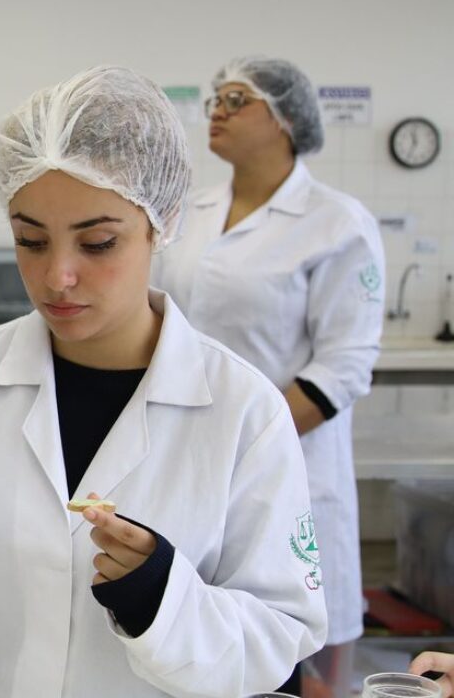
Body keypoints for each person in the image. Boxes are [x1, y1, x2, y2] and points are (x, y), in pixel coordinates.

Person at [0, 66, 328, 697]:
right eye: (30, 241)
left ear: (161, 222)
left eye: (97, 243)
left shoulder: (243, 410)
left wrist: (163, 597)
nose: (57, 277)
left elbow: (279, 632)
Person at [153, 56, 385, 695]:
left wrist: (246, 439)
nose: (216, 111)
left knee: (293, 657)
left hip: (290, 464)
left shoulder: (338, 224)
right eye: (215, 100)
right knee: (191, 644)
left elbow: (342, 366)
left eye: (236, 99)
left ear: (285, 120)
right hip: (180, 457)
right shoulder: (189, 214)